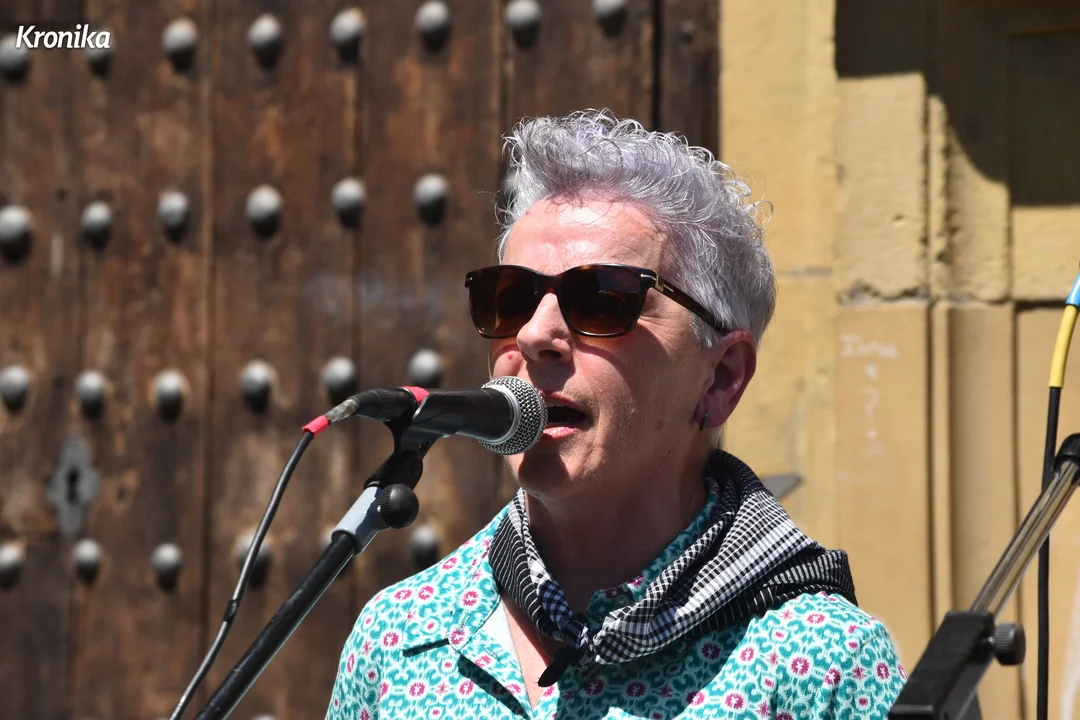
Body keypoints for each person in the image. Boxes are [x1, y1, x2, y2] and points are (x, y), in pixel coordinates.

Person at [326, 109, 906, 719]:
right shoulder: (397, 638)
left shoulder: (820, 659)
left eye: (602, 300)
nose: (535, 335)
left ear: (720, 378)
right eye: (510, 299)